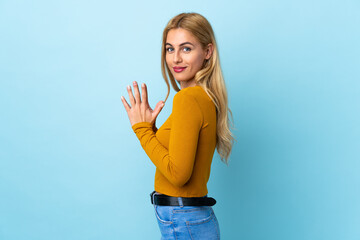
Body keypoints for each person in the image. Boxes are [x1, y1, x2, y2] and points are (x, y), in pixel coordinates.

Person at [121, 12, 234, 240]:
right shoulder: (204, 97)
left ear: (208, 52)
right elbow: (176, 158)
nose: (175, 59)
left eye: (186, 48)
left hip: (184, 219)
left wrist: (142, 131)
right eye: (170, 49)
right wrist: (151, 131)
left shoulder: (187, 99)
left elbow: (178, 174)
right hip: (189, 218)